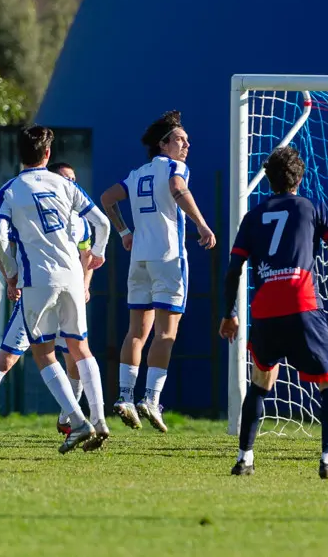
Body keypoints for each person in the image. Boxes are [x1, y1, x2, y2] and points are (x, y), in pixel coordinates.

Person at [221, 146, 328, 479]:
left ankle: (245, 458)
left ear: (269, 179)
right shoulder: (311, 207)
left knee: (260, 380)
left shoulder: (253, 215)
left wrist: (229, 313)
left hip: (264, 309)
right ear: (299, 178)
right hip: (301, 303)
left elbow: (233, 269)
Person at [0, 125, 112, 454]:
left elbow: (0, 240)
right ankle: (99, 419)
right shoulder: (64, 184)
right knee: (80, 347)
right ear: (48, 154)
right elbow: (102, 222)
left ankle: (76, 419)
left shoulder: (10, 190)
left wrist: (12, 273)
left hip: (38, 279)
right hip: (73, 274)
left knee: (43, 352)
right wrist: (98, 254)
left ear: (19, 154)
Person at [0, 162, 94, 439]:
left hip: (68, 296)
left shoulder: (80, 222)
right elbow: (1, 244)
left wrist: (85, 285)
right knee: (6, 360)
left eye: (74, 180)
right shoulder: (29, 212)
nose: (71, 185)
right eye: (66, 179)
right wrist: (11, 277)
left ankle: (70, 418)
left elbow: (86, 256)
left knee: (76, 359)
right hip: (35, 292)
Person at [100, 111, 216, 432]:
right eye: (180, 139)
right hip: (168, 258)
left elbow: (108, 198)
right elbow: (178, 188)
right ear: (163, 144)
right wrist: (202, 224)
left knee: (136, 332)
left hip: (139, 259)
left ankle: (125, 397)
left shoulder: (137, 174)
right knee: (166, 333)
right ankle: (150, 400)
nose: (186, 145)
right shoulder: (175, 167)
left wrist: (124, 232)